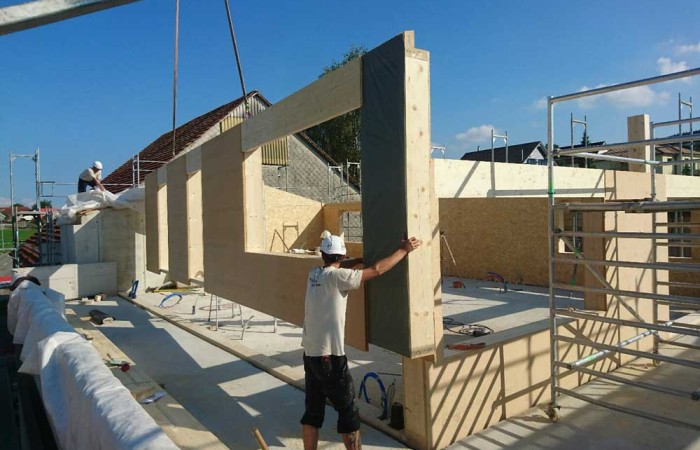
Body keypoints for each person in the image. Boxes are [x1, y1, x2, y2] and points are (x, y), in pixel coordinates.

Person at [301, 233, 421, 450]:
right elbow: (376, 270)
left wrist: (354, 261)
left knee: (312, 413)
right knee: (349, 415)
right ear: (342, 255)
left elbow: (336, 267)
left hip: (310, 355)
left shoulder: (314, 274)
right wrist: (404, 249)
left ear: (322, 254)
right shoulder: (340, 277)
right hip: (330, 358)